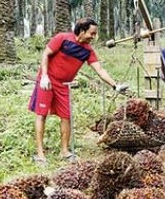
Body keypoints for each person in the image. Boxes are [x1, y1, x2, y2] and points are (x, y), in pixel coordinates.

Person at [28, 17, 126, 164]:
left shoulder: (87, 51)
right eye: (92, 33)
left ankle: (65, 151)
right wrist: (44, 76)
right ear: (81, 31)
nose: (94, 37)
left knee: (66, 116)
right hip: (47, 81)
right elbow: (46, 54)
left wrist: (115, 85)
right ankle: (40, 154)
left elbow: (99, 69)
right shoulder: (62, 38)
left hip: (64, 85)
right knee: (41, 114)